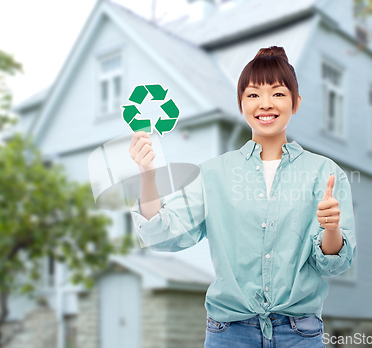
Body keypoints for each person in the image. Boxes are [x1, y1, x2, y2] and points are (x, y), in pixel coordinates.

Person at [129, 46, 357, 348]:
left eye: (277, 93)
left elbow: (333, 264)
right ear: (241, 104)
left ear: (296, 102)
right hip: (230, 334)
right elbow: (162, 235)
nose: (265, 104)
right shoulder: (212, 174)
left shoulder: (324, 172)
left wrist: (331, 228)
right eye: (253, 95)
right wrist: (147, 175)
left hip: (299, 334)